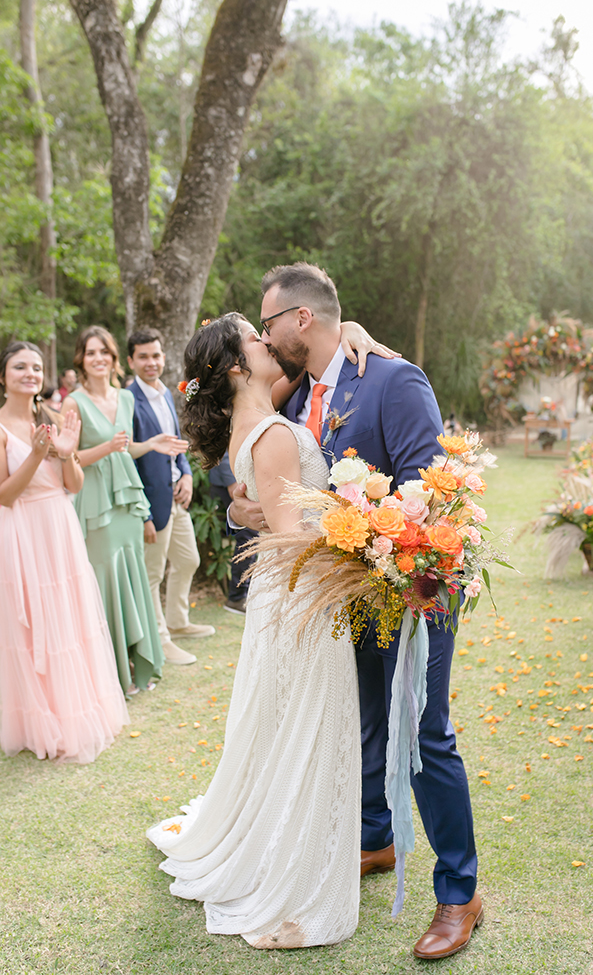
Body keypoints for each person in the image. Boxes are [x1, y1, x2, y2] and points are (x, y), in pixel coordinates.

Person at [228, 263, 481, 961]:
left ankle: (459, 893)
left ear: (300, 319)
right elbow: (262, 470)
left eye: (269, 322)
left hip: (412, 589)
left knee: (424, 733)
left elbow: (431, 487)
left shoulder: (393, 379)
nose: (265, 334)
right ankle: (374, 836)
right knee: (363, 716)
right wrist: (246, 505)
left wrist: (403, 574)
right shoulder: (298, 389)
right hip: (344, 597)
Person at [147, 313, 361, 948]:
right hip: (303, 594)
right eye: (255, 337)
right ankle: (293, 884)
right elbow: (295, 535)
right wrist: (364, 524)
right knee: (308, 727)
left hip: (287, 593)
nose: (269, 343)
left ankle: (287, 842)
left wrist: (353, 334)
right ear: (239, 365)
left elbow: (269, 513)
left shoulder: (261, 418)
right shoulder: (269, 432)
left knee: (288, 725)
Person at [0, 342, 129, 762]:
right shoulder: (1, 427)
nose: (30, 373)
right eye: (20, 366)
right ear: (3, 376)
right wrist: (37, 455)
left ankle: (72, 711)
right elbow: (4, 496)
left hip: (60, 525)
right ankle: (38, 719)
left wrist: (67, 452)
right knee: (35, 622)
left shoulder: (53, 418)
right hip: (23, 529)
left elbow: (72, 484)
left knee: (67, 618)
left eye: (36, 367)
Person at [61, 326, 186, 696]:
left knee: (132, 581)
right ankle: (110, 672)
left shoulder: (124, 399)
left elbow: (124, 449)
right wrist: (109, 447)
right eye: (90, 352)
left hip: (128, 503)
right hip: (96, 505)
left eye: (104, 352)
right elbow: (68, 461)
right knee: (103, 585)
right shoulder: (73, 403)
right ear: (81, 360)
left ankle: (136, 662)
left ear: (114, 359)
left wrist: (150, 444)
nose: (98, 358)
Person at [127, 328, 215, 663]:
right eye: (144, 356)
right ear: (131, 360)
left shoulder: (165, 393)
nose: (152, 362)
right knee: (152, 575)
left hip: (177, 496)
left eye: (156, 355)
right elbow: (128, 460)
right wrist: (144, 513)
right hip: (151, 503)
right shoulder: (128, 401)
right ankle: (160, 640)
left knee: (189, 559)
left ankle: (177, 621)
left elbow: (176, 447)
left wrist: (189, 475)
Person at [209, 452, 255, 614]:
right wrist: (231, 482)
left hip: (243, 481)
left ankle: (243, 593)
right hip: (230, 481)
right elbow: (224, 450)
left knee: (249, 537)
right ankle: (237, 596)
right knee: (248, 536)